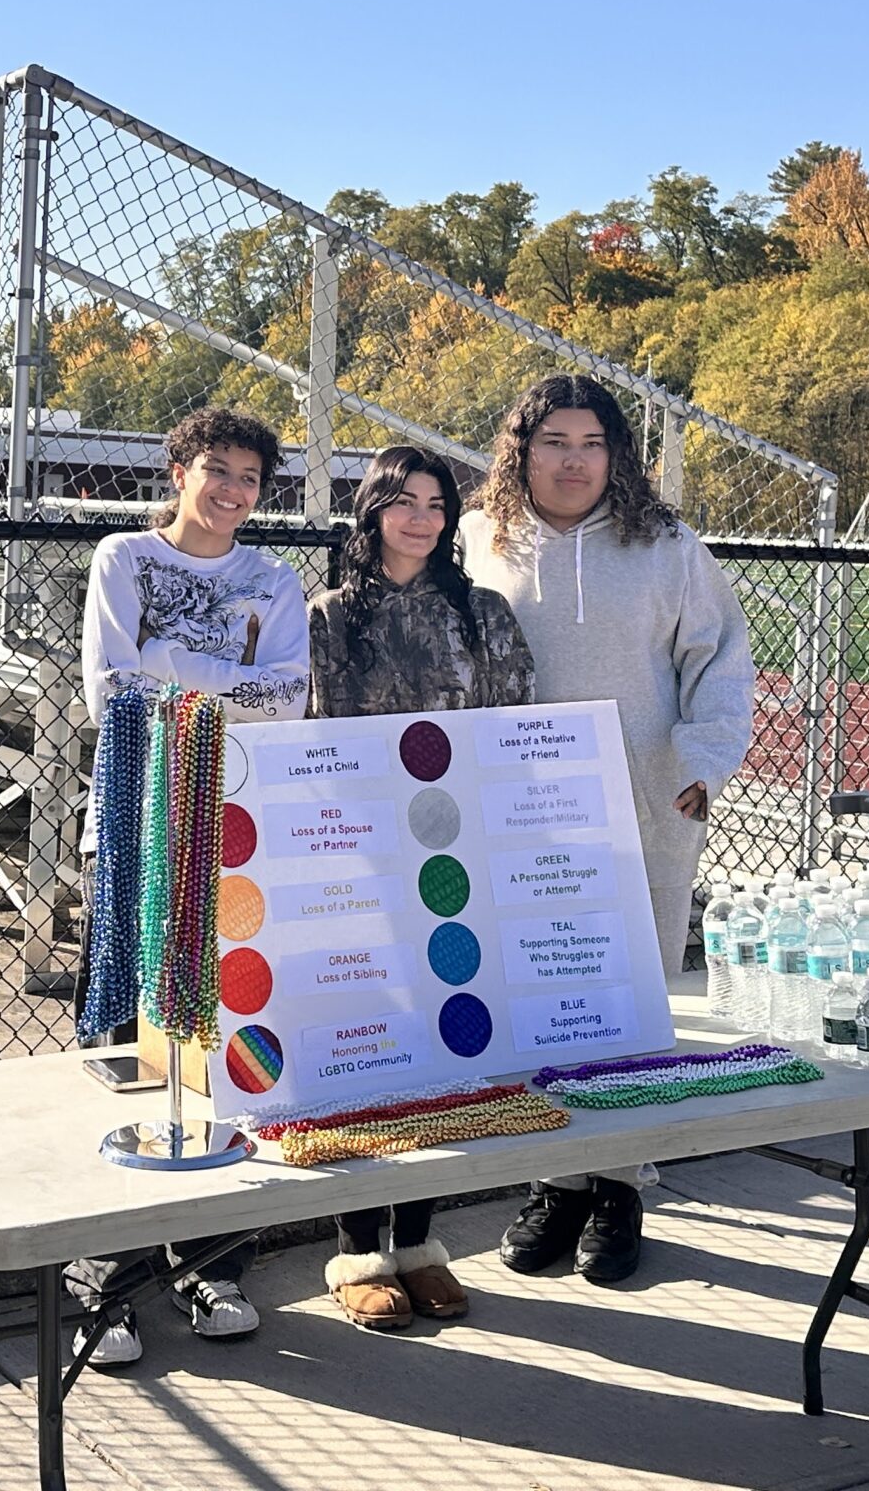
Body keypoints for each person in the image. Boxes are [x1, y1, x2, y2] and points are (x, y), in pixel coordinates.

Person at [462, 373, 755, 1286]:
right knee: (539, 995)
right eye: (555, 442)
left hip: (646, 803)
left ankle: (620, 1183)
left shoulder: (667, 547)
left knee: (635, 997)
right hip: (517, 809)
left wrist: (704, 761)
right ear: (523, 449)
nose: (574, 461)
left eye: (592, 444)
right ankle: (557, 1181)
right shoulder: (479, 539)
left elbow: (718, 659)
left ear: (617, 456)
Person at [70, 406, 309, 1368]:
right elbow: (108, 689)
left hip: (234, 823)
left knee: (217, 1037)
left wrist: (181, 686)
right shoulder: (124, 559)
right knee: (128, 1041)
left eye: (249, 478)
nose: (231, 492)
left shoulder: (274, 579)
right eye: (216, 470)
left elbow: (291, 691)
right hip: (134, 821)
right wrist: (219, 690)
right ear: (179, 471)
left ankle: (211, 1261)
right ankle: (111, 1281)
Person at [307, 444, 534, 1330]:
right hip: (361, 855)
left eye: (437, 504)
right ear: (371, 512)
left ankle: (418, 1242)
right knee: (366, 1043)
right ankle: (358, 1246)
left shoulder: (482, 614)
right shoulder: (328, 615)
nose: (422, 517)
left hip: (456, 857)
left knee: (447, 1041)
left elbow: (515, 727)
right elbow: (308, 739)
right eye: (402, 500)